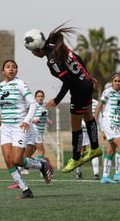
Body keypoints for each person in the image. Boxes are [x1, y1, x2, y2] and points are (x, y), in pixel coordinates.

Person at [31, 24, 102, 173]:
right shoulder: (57, 47)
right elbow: (77, 57)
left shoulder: (52, 59)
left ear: (39, 50)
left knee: (75, 126)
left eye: (33, 52)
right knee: (89, 117)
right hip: (86, 84)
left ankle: (76, 159)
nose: (33, 55)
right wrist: (87, 75)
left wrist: (56, 100)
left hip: (79, 90)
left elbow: (68, 81)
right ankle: (95, 148)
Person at [0, 60, 52, 199]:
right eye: (8, 67)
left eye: (14, 67)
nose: (11, 69)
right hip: (5, 129)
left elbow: (32, 104)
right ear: (3, 71)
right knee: (9, 161)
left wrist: (26, 121)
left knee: (18, 160)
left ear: (16, 71)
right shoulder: (0, 86)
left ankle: (42, 165)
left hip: (19, 127)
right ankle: (26, 190)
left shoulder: (20, 84)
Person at [94, 73, 120, 184]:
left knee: (110, 150)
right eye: (115, 81)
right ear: (112, 82)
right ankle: (118, 174)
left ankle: (105, 176)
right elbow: (99, 106)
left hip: (115, 123)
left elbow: (119, 111)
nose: (117, 83)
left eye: (119, 81)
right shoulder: (108, 91)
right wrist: (95, 121)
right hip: (108, 123)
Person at [75, 99, 100, 180]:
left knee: (94, 150)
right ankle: (78, 171)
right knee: (81, 151)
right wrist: (84, 124)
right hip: (82, 130)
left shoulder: (96, 103)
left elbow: (99, 115)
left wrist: (102, 130)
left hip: (92, 130)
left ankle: (96, 173)